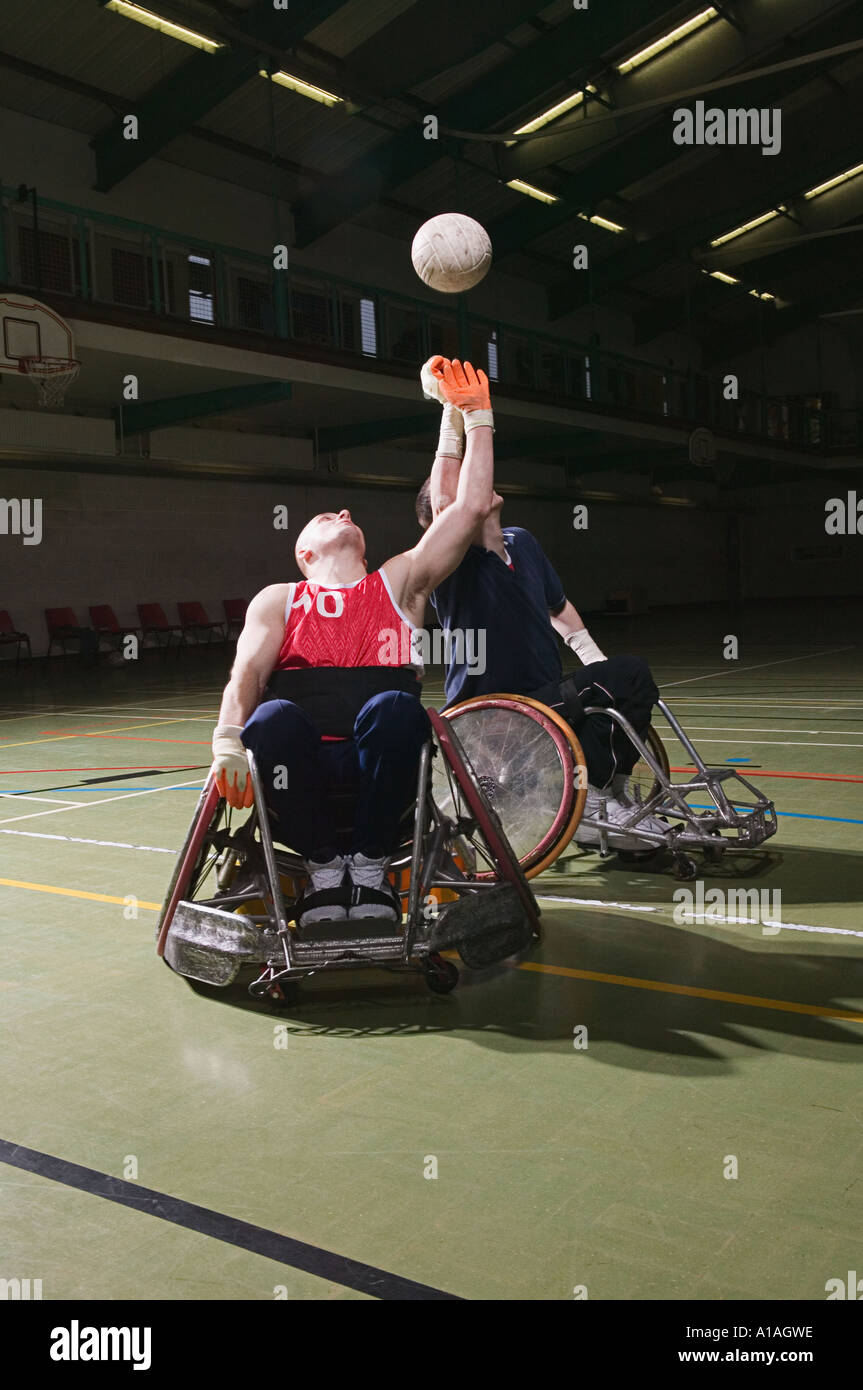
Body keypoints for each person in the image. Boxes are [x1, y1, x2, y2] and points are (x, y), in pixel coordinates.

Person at [210, 359, 495, 926]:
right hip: (299, 785)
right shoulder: (278, 600)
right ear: (303, 554)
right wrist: (226, 741)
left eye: (345, 512)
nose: (340, 512)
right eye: (324, 515)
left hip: (383, 785)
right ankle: (322, 873)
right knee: (271, 719)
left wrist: (473, 418)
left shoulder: (397, 583)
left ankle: (368, 869)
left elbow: (466, 510)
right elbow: (244, 678)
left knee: (394, 707)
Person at [416, 356, 664, 852]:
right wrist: (453, 413)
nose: (479, 480)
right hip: (495, 711)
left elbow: (559, 606)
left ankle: (601, 791)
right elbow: (449, 504)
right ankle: (588, 804)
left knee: (625, 681)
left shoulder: (522, 541)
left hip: (545, 693)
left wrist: (595, 660)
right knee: (629, 677)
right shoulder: (456, 561)